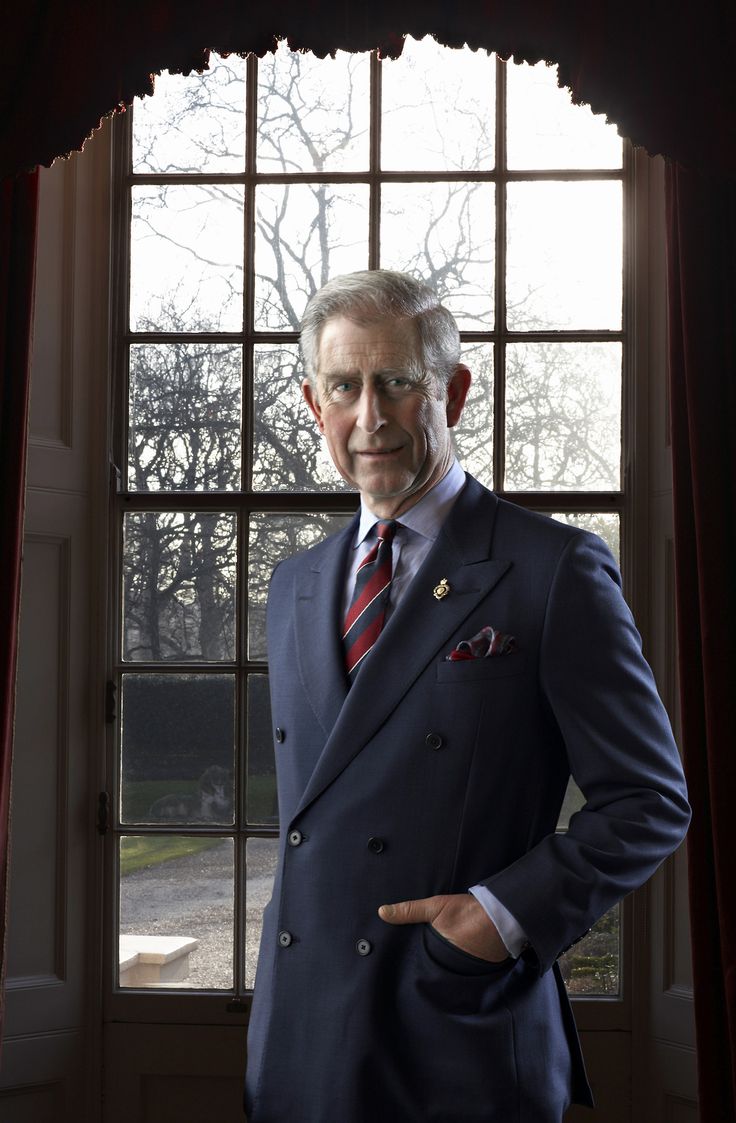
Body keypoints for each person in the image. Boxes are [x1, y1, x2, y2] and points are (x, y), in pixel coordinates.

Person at [244, 270, 690, 1123]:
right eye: (344, 386)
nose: (369, 416)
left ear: (451, 390)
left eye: (397, 383)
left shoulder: (553, 570)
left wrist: (496, 917)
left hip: (457, 1029)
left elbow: (650, 802)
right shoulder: (295, 584)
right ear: (313, 403)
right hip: (300, 1033)